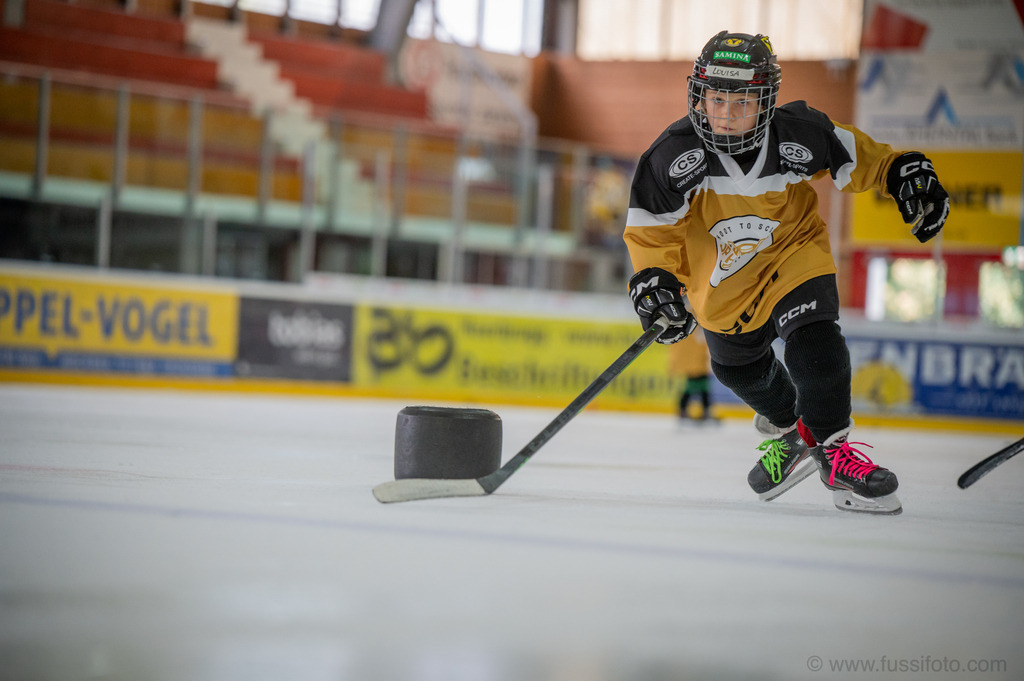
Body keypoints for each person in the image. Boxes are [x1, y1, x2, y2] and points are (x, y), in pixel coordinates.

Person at [624, 31, 950, 515]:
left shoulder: (798, 132)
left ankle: (835, 456)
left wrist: (903, 173)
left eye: (742, 101)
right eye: (716, 99)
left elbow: (866, 159)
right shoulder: (671, 156)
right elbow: (652, 235)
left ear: (766, 101)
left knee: (816, 342)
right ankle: (797, 429)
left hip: (792, 254)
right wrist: (655, 282)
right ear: (698, 96)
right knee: (735, 369)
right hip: (721, 286)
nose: (726, 113)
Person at [667, 327, 717, 424]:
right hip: (696, 362)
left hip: (696, 361)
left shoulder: (690, 328)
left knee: (699, 387)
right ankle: (700, 410)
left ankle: (690, 410)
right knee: (697, 387)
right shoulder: (696, 327)